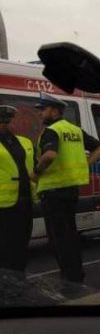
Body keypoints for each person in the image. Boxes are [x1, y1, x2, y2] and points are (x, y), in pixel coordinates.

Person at [30, 93, 100, 282]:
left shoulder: (52, 131)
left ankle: (69, 277)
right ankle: (76, 273)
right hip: (71, 189)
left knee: (57, 238)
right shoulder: (75, 130)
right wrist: (86, 164)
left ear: (54, 110)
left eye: (43, 110)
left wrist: (36, 173)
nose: (40, 114)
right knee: (70, 234)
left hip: (53, 191)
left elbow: (49, 156)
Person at [0, 105, 36, 272]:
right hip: (3, 205)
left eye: (11, 119)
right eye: (4, 120)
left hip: (25, 202)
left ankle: (19, 281)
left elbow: (34, 167)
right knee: (5, 248)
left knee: (21, 245)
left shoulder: (25, 142)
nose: (7, 123)